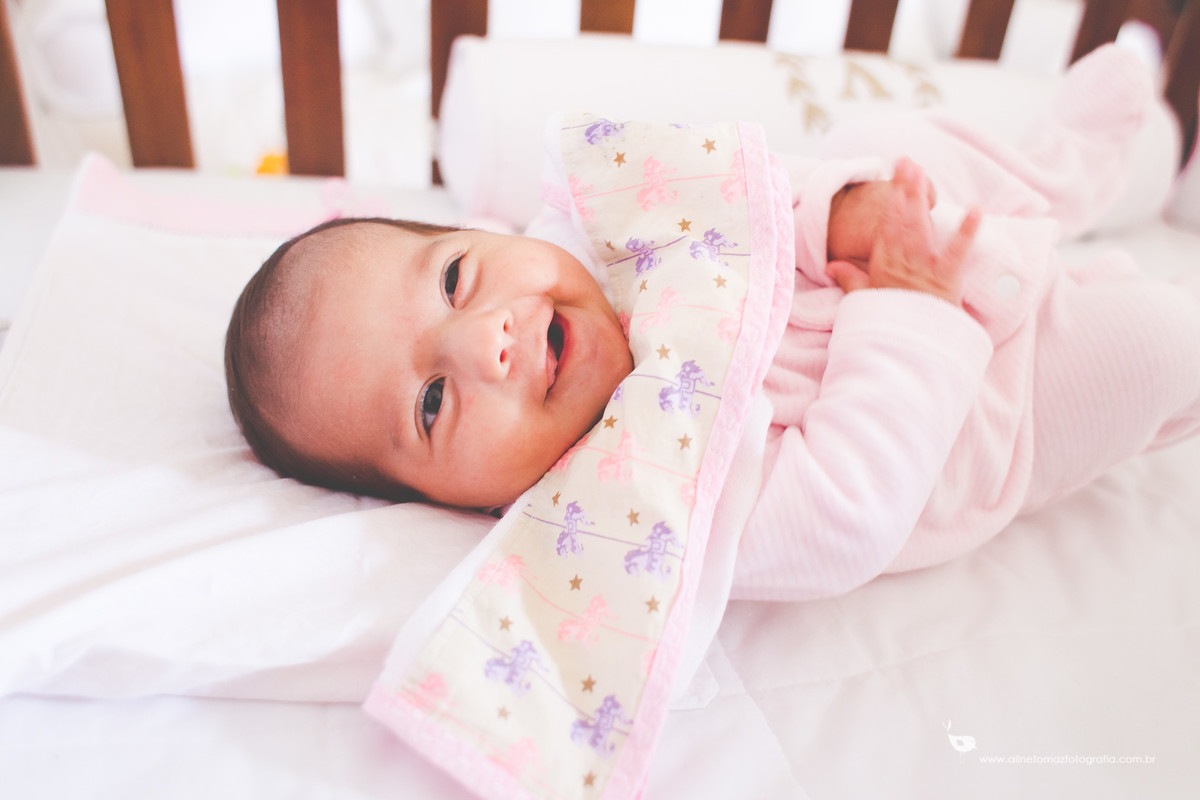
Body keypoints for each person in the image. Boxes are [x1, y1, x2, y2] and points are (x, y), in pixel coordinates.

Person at [225, 45, 1200, 600]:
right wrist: (904, 307)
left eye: (453, 278)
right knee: (1157, 345)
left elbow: (755, 195)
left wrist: (837, 215)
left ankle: (1053, 175)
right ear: (442, 502)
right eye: (433, 401)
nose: (488, 339)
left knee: (875, 147)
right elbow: (848, 508)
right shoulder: (627, 510)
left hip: (896, 254)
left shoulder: (602, 231)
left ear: (482, 231)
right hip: (982, 404)